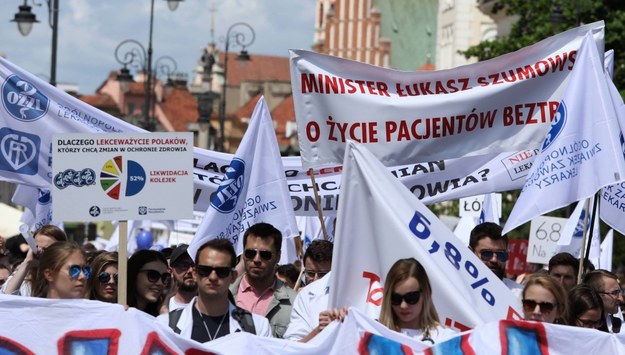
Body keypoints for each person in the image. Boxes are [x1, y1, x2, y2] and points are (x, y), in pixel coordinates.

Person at [158, 238, 271, 341]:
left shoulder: (258, 328)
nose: (213, 277)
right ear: (195, 274)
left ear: (233, 276)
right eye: (205, 270)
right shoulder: (165, 324)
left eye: (221, 271)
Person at [230, 223, 297, 338]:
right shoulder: (223, 295)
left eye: (265, 254)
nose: (256, 259)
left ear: (278, 256)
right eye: (250, 253)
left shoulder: (295, 302)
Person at [379, 258, 456, 344]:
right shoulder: (375, 336)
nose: (403, 305)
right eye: (396, 298)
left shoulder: (445, 338)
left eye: (411, 298)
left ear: (425, 294)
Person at [284, 239, 341, 342]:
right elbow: (293, 346)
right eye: (310, 273)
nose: (315, 279)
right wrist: (319, 330)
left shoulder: (349, 290)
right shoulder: (304, 297)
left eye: (323, 274)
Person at [2, 225, 68, 296]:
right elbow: (6, 297)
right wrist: (27, 263)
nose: (41, 253)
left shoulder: (71, 274)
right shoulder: (25, 277)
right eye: (37, 248)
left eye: (47, 249)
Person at [469, 222, 523, 297]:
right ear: (470, 252)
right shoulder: (457, 290)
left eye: (501, 254)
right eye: (486, 254)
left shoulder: (520, 296)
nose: (494, 260)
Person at [127, 250, 170, 316]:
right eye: (153, 275)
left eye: (164, 277)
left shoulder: (161, 312)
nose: (160, 283)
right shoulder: (117, 311)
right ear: (134, 274)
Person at [167, 244, 198, 311]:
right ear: (170, 270)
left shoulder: (210, 307)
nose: (190, 270)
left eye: (194, 265)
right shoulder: (161, 306)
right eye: (183, 265)